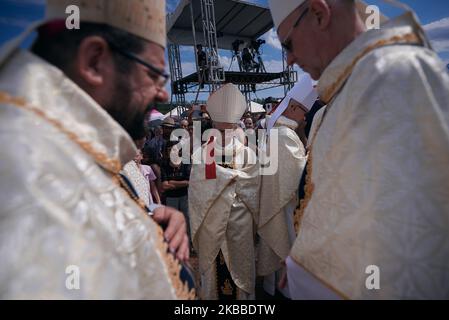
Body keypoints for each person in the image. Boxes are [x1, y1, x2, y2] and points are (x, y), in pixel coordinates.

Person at [0, 0, 193, 299]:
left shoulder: (66, 139)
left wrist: (149, 213)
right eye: (154, 74)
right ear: (94, 61)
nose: (163, 92)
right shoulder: (25, 174)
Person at [269, 0, 449, 299]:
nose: (288, 60)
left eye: (287, 44)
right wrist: (301, 265)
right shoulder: (336, 102)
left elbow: (415, 237)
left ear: (318, 13)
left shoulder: (397, 72)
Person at [189, 84, 260, 300]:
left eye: (228, 130)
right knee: (215, 273)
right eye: (220, 130)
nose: (224, 135)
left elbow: (252, 184)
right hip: (212, 224)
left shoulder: (248, 153)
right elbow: (197, 189)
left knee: (239, 272)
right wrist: (231, 178)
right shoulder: (203, 153)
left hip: (240, 224)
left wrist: (226, 180)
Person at [258, 74, 317, 298]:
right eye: (303, 111)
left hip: (282, 201)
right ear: (292, 107)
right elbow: (300, 174)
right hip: (287, 205)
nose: (304, 118)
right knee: (288, 244)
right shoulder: (284, 135)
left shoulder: (281, 133)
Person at [161, 141, 192, 243]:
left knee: (187, 220)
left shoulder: (185, 163)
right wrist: (181, 183)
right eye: (169, 149)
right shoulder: (164, 165)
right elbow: (164, 185)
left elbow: (189, 182)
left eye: (174, 149)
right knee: (173, 220)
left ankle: (188, 242)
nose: (171, 151)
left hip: (185, 196)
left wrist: (172, 182)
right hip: (171, 198)